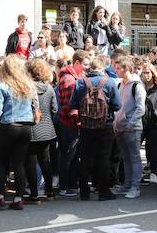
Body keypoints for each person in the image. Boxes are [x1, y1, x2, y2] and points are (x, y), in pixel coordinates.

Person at [71, 55, 121, 201]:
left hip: (86, 125)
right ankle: (103, 191)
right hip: (105, 125)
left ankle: (84, 192)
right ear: (102, 68)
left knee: (85, 158)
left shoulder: (80, 82)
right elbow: (117, 105)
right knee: (104, 158)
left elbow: (73, 104)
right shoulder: (109, 82)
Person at [0, 55, 36, 210]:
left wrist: (1, 118)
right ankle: (18, 198)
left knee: (0, 161)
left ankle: (0, 197)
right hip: (26, 127)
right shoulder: (29, 85)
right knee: (19, 162)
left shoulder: (3, 86)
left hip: (8, 125)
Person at [25, 58, 58, 202]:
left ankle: (34, 194)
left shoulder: (27, 87)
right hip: (47, 129)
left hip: (31, 128)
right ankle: (50, 191)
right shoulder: (49, 88)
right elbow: (54, 109)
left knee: (31, 161)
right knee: (45, 160)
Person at [113, 56, 146, 199]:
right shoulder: (120, 85)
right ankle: (127, 185)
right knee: (126, 158)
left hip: (132, 128)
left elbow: (141, 108)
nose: (116, 71)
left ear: (126, 68)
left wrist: (130, 124)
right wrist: (116, 123)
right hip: (120, 127)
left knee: (134, 157)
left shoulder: (136, 85)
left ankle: (135, 186)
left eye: (118, 68)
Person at [55, 50, 86, 197]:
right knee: (68, 155)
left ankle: (71, 185)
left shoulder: (72, 77)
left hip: (68, 123)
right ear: (77, 63)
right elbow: (69, 106)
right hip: (69, 124)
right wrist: (77, 122)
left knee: (71, 156)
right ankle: (66, 186)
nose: (87, 68)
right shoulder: (70, 80)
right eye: (84, 65)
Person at [141, 63, 157, 183]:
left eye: (148, 72)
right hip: (142, 122)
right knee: (139, 149)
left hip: (154, 123)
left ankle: (155, 172)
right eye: (144, 73)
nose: (146, 75)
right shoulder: (140, 86)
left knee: (153, 149)